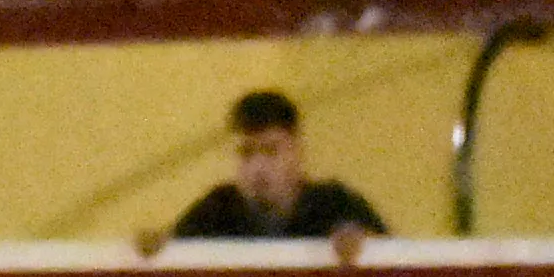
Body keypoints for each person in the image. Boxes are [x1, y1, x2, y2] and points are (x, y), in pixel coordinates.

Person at [153, 88, 387, 250]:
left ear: (297, 152)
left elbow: (393, 259)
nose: (258, 167)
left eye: (270, 151)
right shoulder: (216, 209)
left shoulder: (335, 203)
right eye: (246, 153)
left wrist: (363, 244)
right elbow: (171, 253)